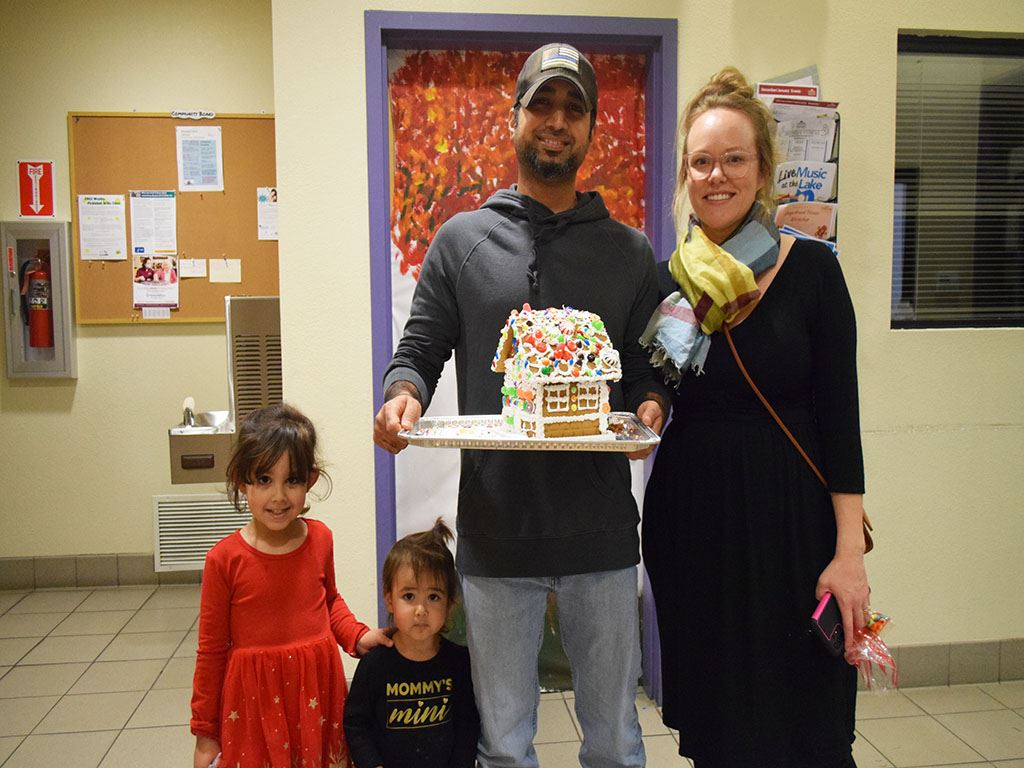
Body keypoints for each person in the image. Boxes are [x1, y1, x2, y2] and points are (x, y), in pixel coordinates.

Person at [374, 42, 669, 768]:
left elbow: (647, 370)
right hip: (497, 531)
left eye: (573, 109)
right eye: (542, 104)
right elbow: (417, 352)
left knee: (616, 743)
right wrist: (402, 398)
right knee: (504, 746)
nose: (556, 121)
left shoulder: (630, 253)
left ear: (592, 128)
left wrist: (652, 410)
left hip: (599, 533)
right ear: (514, 118)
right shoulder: (461, 241)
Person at [641, 67, 870, 767]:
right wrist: (647, 409)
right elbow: (658, 383)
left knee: (808, 724)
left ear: (764, 168)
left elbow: (840, 416)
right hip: (695, 526)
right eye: (702, 160)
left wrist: (849, 554)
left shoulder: (813, 272)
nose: (717, 175)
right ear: (685, 171)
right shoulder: (673, 277)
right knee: (719, 727)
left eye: (734, 159)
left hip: (792, 526)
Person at [191, 403, 393, 768]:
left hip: (317, 692)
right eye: (265, 480)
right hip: (254, 705)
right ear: (242, 480)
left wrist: (357, 636)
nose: (280, 496)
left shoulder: (320, 539)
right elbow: (210, 652)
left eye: (292, 481)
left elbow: (329, 601)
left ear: (310, 481)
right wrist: (206, 733)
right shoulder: (224, 560)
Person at [344, 518, 480, 767]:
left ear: (449, 604)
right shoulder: (374, 664)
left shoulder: (459, 661)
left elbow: (467, 723)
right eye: (409, 596)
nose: (421, 609)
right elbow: (356, 724)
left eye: (433, 596)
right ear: (389, 600)